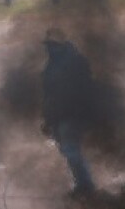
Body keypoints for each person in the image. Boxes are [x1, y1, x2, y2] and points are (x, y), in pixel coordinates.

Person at [41, 28, 95, 195]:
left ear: (60, 45)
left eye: (52, 45)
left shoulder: (74, 62)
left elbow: (82, 91)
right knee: (68, 150)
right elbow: (49, 96)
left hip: (72, 115)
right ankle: (82, 184)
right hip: (61, 116)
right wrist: (48, 120)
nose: (49, 48)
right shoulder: (53, 64)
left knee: (71, 150)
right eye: (48, 45)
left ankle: (86, 186)